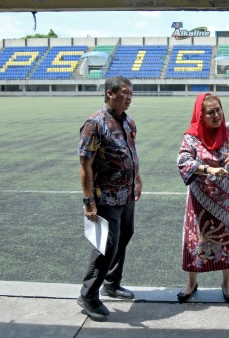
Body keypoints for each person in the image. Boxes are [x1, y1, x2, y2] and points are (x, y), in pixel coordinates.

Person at [176, 93, 229, 303]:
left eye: (218, 109)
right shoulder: (192, 136)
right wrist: (208, 168)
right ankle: (191, 282)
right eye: (210, 112)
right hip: (201, 200)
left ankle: (227, 283)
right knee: (197, 240)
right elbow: (183, 161)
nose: (216, 115)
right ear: (201, 115)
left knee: (228, 240)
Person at [77, 76, 142, 320]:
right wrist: (88, 200)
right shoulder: (94, 124)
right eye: (124, 93)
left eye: (131, 94)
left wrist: (137, 178)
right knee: (106, 244)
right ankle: (88, 294)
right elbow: (85, 164)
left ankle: (112, 283)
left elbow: (131, 152)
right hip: (105, 197)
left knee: (124, 236)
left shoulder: (128, 122)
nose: (129, 98)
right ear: (109, 93)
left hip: (126, 194)